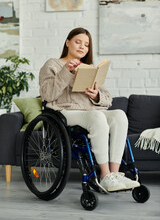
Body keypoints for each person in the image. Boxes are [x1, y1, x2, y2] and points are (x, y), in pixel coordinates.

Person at [39, 27, 140, 192]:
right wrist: (66, 71)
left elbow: (108, 99)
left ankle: (114, 174)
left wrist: (95, 95)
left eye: (86, 45)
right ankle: (104, 175)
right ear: (67, 42)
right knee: (97, 117)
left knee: (120, 115)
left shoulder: (89, 68)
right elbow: (47, 95)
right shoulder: (52, 64)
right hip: (65, 112)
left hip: (89, 112)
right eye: (78, 42)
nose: (82, 47)